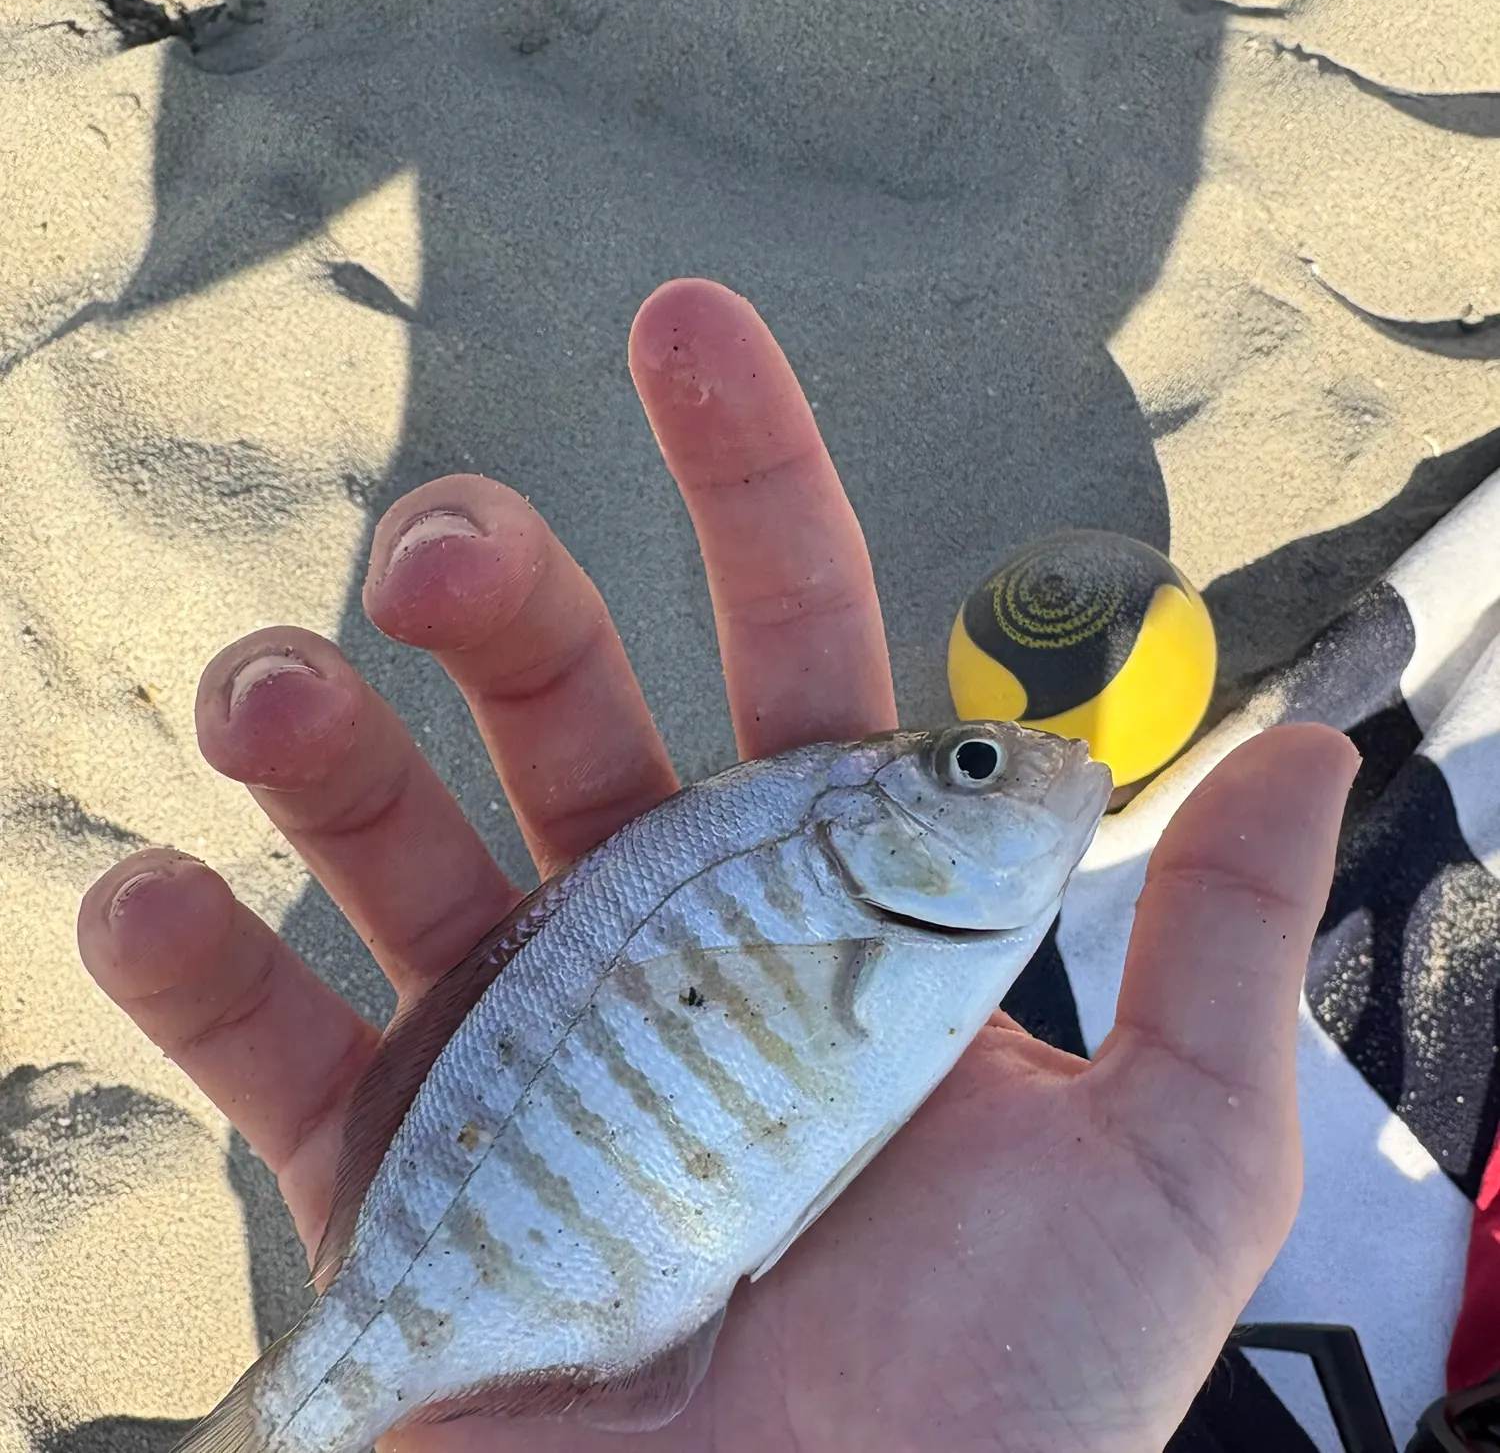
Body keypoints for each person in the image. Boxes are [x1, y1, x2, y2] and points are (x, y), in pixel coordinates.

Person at [76, 277, 1358, 1452]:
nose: (1020, 764)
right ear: (857, 837)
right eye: (970, 766)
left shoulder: (904, 926)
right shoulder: (895, 921)